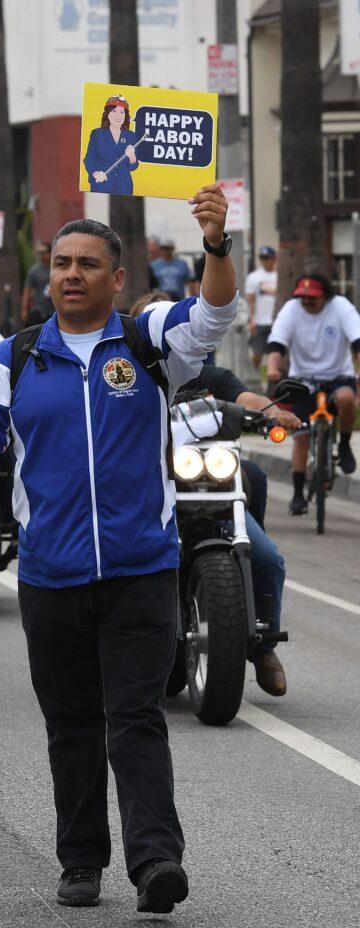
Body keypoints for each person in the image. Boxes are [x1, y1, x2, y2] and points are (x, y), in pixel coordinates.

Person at [0, 184, 238, 913]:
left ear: (117, 278)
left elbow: (216, 314)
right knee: (72, 726)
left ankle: (156, 863)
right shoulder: (14, 359)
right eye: (60, 262)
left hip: (141, 570)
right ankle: (81, 863)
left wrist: (215, 244)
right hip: (52, 578)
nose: (70, 274)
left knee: (137, 718)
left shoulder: (147, 340)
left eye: (86, 263)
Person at [170, 360, 300, 696]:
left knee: (268, 557)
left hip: (209, 482)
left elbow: (245, 399)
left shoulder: (209, 375)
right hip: (157, 489)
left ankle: (264, 645)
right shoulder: (136, 372)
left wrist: (274, 411)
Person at [265, 274, 360, 511]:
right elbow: (277, 344)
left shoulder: (340, 307)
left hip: (338, 376)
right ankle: (298, 494)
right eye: (302, 297)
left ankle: (345, 445)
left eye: (312, 298)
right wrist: (273, 368)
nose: (306, 301)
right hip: (303, 379)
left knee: (347, 398)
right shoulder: (292, 309)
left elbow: (357, 341)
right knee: (301, 434)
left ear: (325, 297)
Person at [82, 95, 141, 195]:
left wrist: (132, 156)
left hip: (124, 187)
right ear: (107, 114)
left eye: (122, 112)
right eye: (114, 111)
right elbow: (89, 159)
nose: (118, 116)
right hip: (101, 185)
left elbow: (133, 167)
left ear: (125, 115)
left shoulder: (131, 135)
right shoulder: (97, 134)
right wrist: (95, 174)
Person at [245, 246, 278, 367]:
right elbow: (251, 301)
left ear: (274, 258)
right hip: (259, 321)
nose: (265, 261)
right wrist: (251, 320)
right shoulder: (253, 277)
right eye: (262, 258)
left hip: (275, 320)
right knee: (257, 352)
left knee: (274, 351)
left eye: (267, 258)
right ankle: (256, 376)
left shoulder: (280, 276)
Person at [21, 242, 55, 327]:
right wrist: (25, 309)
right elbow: (27, 290)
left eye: (44, 252)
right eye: (39, 253)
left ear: (50, 253)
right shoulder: (34, 271)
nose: (41, 255)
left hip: (56, 310)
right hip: (40, 311)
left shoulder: (58, 268)